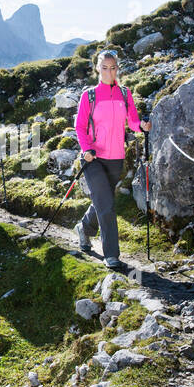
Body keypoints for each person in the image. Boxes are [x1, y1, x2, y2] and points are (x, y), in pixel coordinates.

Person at [73, 49, 151, 274]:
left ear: (118, 68)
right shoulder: (90, 95)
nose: (109, 72)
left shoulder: (125, 94)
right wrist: (86, 149)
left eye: (113, 67)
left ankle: (83, 228)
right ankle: (111, 255)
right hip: (93, 158)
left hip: (116, 158)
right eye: (105, 67)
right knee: (106, 205)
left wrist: (142, 127)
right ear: (98, 68)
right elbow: (79, 126)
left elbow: (133, 122)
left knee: (101, 200)